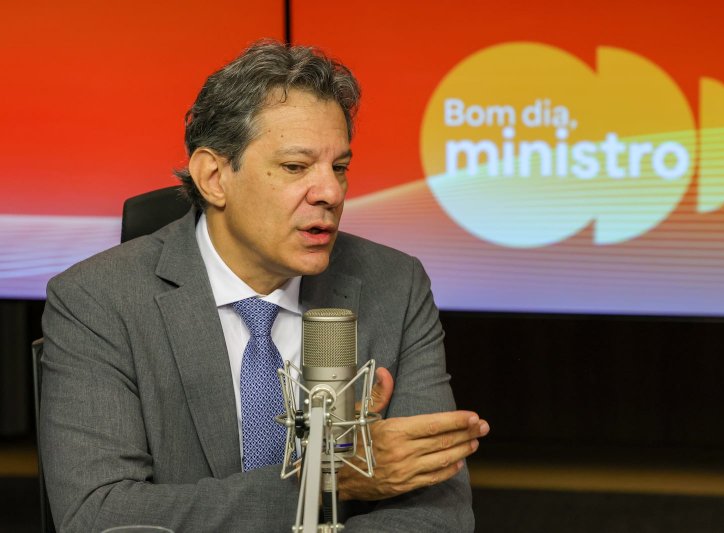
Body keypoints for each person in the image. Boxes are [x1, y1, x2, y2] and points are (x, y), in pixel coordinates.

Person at [39, 40, 489, 532]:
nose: (331, 192)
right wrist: (325, 479)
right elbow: (98, 514)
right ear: (214, 177)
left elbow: (436, 514)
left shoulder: (395, 285)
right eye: (296, 167)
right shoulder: (99, 299)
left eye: (339, 168)